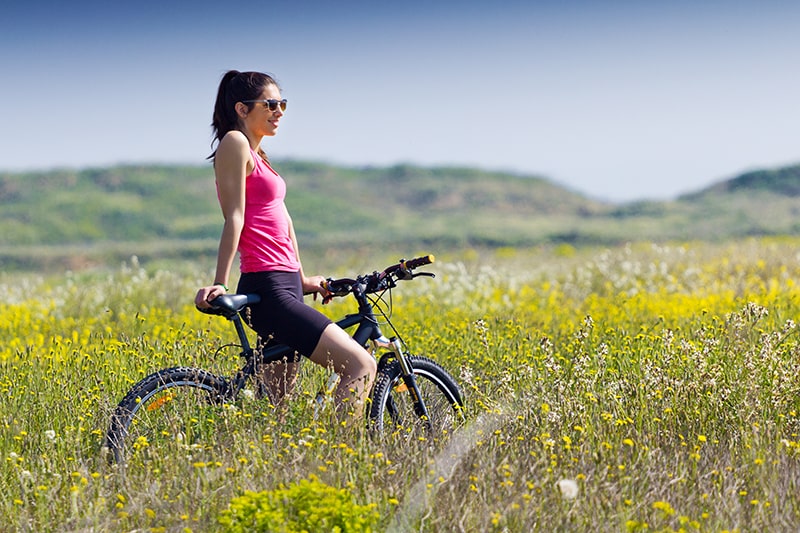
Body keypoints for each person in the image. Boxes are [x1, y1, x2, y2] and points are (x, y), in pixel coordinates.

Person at [195, 70, 376, 416]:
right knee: (360, 367)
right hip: (269, 288)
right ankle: (341, 459)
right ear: (243, 109)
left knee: (279, 410)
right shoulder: (235, 143)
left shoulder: (261, 158)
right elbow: (235, 217)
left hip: (285, 283)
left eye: (283, 104)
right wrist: (220, 281)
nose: (280, 111)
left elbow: (283, 223)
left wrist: (303, 279)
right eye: (271, 104)